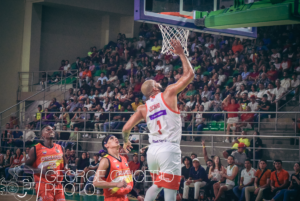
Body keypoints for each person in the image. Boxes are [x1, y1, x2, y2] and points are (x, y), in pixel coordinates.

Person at [121, 39, 194, 201]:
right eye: (156, 82)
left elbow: (126, 128)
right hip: (168, 149)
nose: (159, 82)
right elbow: (189, 75)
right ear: (154, 88)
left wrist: (126, 141)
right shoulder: (167, 93)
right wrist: (181, 53)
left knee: (157, 185)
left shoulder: (143, 108)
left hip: (152, 152)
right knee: (170, 192)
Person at [93, 135, 144, 201]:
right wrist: (116, 184)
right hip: (112, 198)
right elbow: (96, 182)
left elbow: (125, 183)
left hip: (125, 198)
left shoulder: (124, 159)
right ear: (106, 145)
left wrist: (137, 195)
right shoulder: (105, 160)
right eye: (111, 138)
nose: (115, 138)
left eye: (115, 137)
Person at [25, 125, 67, 201]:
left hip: (58, 185)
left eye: (52, 130)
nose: (51, 131)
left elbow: (65, 163)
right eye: (48, 130)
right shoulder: (35, 149)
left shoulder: (60, 148)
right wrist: (40, 170)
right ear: (42, 135)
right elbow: (25, 168)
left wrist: (66, 168)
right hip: (43, 185)